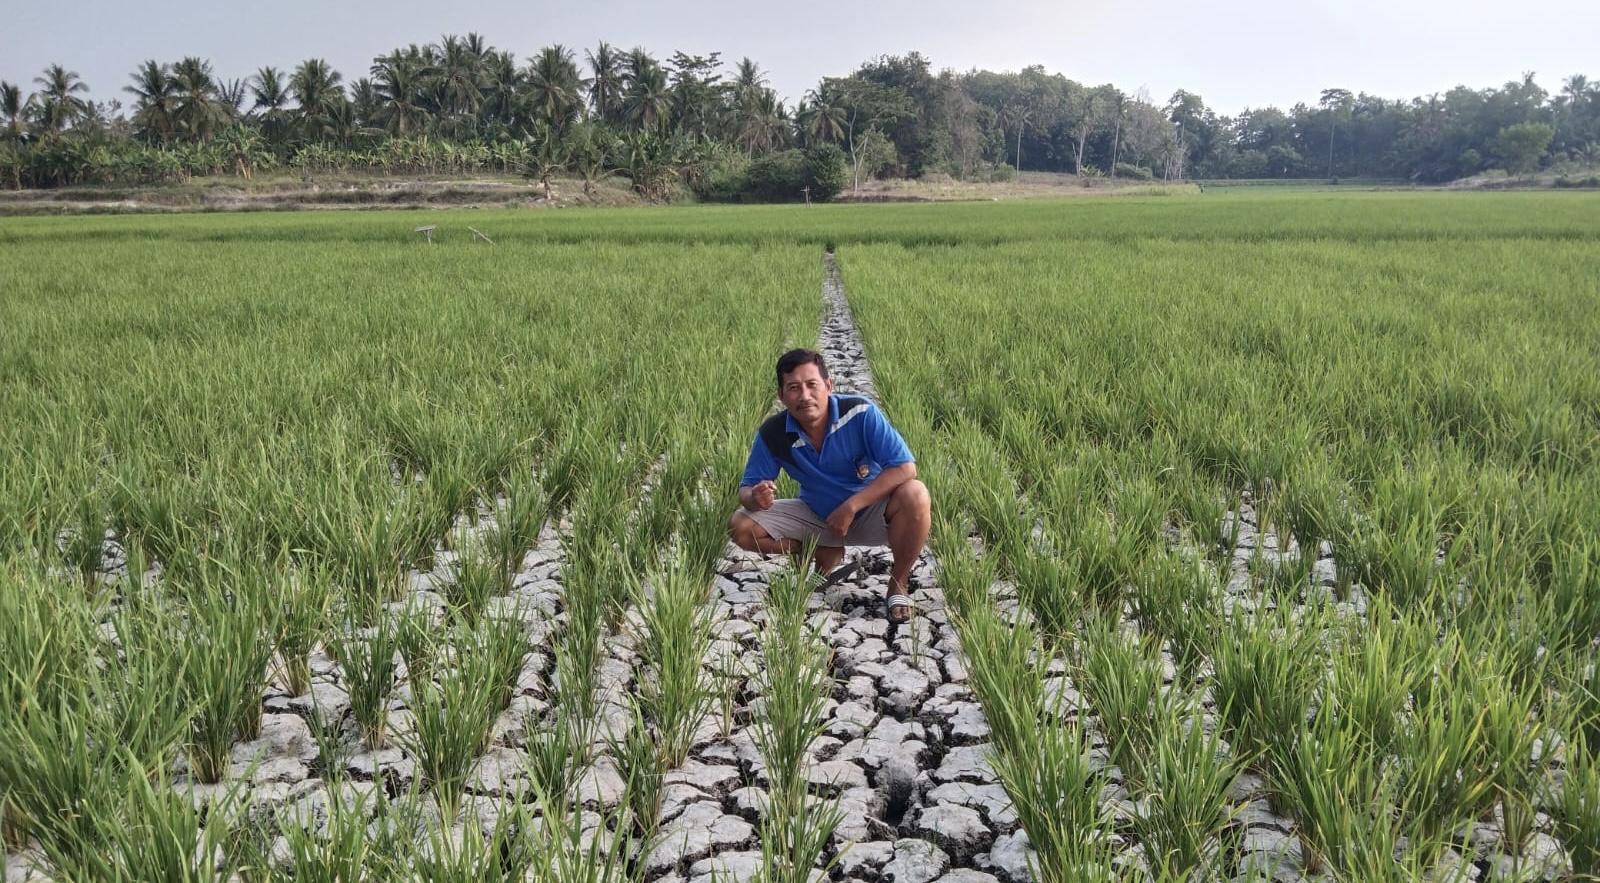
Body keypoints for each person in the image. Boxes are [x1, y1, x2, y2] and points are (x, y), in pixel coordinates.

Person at [728, 348, 931, 623]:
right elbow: (746, 490)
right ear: (781, 395)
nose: (805, 396)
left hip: (872, 513)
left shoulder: (859, 413)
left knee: (916, 493)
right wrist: (756, 498)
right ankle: (820, 548)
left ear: (828, 385)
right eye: (794, 388)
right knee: (740, 525)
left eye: (812, 385)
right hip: (818, 515)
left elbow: (905, 467)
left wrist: (851, 506)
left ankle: (899, 582)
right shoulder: (773, 433)